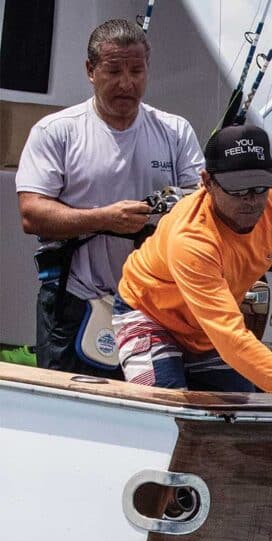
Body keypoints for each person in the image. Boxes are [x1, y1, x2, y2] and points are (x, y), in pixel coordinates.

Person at [114, 125, 272, 463]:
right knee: (166, 417)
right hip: (150, 316)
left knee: (240, 421)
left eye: (259, 188)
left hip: (207, 328)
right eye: (238, 191)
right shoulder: (192, 239)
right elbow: (234, 341)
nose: (252, 201)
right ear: (207, 183)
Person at [15, 18, 204, 376]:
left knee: (152, 410)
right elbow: (32, 214)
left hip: (153, 304)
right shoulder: (57, 131)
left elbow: (202, 208)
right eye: (114, 70)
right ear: (91, 70)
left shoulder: (175, 131)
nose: (127, 83)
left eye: (136, 70)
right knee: (66, 410)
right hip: (74, 300)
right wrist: (104, 217)